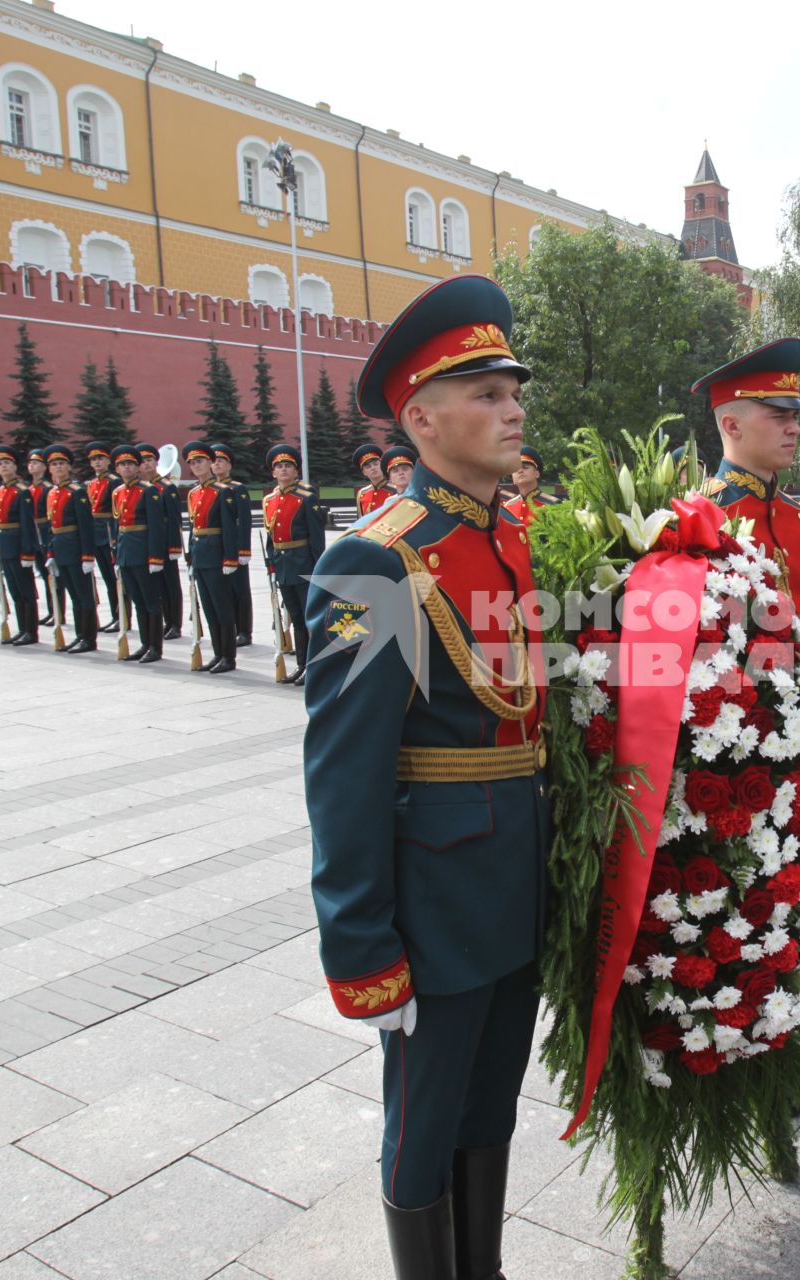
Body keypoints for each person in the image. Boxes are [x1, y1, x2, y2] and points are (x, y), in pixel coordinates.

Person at [303, 275, 546, 1279]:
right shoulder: (379, 562)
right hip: (436, 899)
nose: (513, 407)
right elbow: (343, 770)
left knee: (492, 1103)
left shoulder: (519, 540)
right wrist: (360, 942)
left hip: (519, 877)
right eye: (486, 392)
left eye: (512, 389)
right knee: (423, 1118)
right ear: (422, 418)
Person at [690, 337, 800, 609]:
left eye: (795, 417)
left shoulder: (796, 514)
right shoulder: (702, 512)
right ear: (733, 426)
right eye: (780, 417)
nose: (795, 429)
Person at [263, 443, 324, 685]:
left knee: (310, 619)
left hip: (304, 565)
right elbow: (270, 535)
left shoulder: (307, 498)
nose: (284, 470)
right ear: (273, 473)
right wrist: (271, 563)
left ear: (296, 471)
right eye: (279, 467)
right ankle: (301, 665)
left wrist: (319, 568)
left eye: (288, 466)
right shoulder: (269, 500)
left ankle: (315, 667)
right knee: (296, 619)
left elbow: (316, 539)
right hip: (283, 566)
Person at [182, 442, 237, 673]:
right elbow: (193, 526)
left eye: (201, 462)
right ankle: (217, 653)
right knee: (208, 608)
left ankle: (228, 656)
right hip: (200, 555)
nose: (197, 466)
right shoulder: (193, 493)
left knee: (222, 607)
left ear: (209, 464)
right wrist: (190, 557)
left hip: (216, 555)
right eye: (193, 464)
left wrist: (230, 559)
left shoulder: (223, 492)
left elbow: (229, 528)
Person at [111, 444, 166, 664]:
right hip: (126, 553)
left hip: (144, 553)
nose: (127, 468)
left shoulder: (148, 490)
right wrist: (117, 555)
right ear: (117, 469)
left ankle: (155, 646)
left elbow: (156, 526)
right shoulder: (118, 492)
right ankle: (144, 643)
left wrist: (155, 557)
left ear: (138, 467)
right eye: (123, 465)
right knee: (138, 602)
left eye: (131, 464)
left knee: (151, 601)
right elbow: (118, 526)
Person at [45, 445, 100, 654]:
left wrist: (87, 555)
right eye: (54, 464)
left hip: (76, 549)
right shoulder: (52, 493)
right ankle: (80, 635)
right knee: (74, 596)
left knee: (84, 596)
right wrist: (51, 553)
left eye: (62, 464)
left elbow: (86, 526)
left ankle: (89, 637)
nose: (58, 467)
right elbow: (52, 526)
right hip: (61, 549)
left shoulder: (77, 493)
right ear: (50, 469)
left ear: (69, 467)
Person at [0, 445, 41, 646]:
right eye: (0, 464)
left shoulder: (22, 492)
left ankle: (31, 630)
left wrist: (28, 553)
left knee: (26, 590)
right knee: (14, 590)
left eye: (7, 463)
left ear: (14, 466)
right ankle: (22, 628)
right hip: (6, 544)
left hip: (19, 545)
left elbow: (27, 525)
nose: (4, 467)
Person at [209, 443, 256, 646]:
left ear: (230, 465)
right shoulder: (209, 489)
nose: (217, 464)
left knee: (240, 589)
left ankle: (244, 630)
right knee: (223, 590)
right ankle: (231, 628)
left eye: (222, 461)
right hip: (217, 548)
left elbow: (244, 521)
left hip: (235, 548)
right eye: (214, 461)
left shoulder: (238, 489)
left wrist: (243, 550)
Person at [141, 446, 185, 639]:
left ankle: (175, 623)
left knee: (170, 584)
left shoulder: (167, 488)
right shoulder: (140, 489)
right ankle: (165, 621)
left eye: (150, 460)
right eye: (143, 461)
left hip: (166, 544)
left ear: (156, 463)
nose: (147, 464)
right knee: (156, 586)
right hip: (148, 543)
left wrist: (175, 546)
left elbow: (175, 519)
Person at [84, 442, 122, 633]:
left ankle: (121, 616)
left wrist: (115, 537)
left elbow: (117, 512)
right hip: (95, 533)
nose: (97, 462)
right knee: (107, 579)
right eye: (93, 459)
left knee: (115, 578)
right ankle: (116, 615)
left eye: (100, 458)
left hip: (108, 533)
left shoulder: (114, 482)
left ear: (108, 461)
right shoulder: (91, 484)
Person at [26, 448, 55, 626]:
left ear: (44, 468)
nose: (32, 466)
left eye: (36, 463)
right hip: (34, 534)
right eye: (30, 463)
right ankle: (51, 611)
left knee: (52, 576)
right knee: (44, 576)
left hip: (45, 532)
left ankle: (56, 610)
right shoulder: (29, 489)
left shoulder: (48, 489)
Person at [499, 444, 560, 524]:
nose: (520, 471)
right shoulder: (507, 507)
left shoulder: (553, 505)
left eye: (525, 467)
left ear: (537, 473)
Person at [354, 442, 391, 516]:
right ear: (364, 472)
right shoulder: (362, 494)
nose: (373, 468)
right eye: (368, 466)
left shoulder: (395, 489)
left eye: (376, 464)